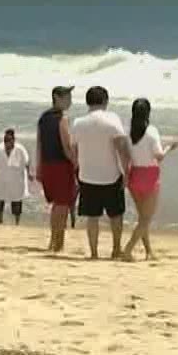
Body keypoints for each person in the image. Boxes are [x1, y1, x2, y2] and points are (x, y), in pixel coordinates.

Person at [71, 85, 132, 260]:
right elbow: (122, 149)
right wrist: (127, 172)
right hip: (110, 175)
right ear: (105, 101)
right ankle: (116, 249)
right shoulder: (112, 120)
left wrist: (77, 170)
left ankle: (94, 252)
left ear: (87, 102)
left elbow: (74, 150)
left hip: (87, 175)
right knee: (116, 215)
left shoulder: (78, 123)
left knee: (92, 217)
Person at [123, 97, 178, 261]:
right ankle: (128, 249)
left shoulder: (128, 132)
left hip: (134, 174)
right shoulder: (151, 131)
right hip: (149, 175)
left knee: (143, 218)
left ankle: (149, 251)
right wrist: (170, 147)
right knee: (146, 218)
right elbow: (159, 156)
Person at [35, 86, 77, 252]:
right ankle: (57, 242)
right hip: (61, 165)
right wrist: (76, 163)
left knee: (56, 205)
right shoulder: (62, 118)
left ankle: (55, 240)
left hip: (47, 164)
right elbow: (67, 146)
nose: (70, 101)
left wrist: (38, 167)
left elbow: (39, 143)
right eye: (67, 97)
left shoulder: (43, 118)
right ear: (57, 97)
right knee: (62, 205)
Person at [0, 127, 33, 225]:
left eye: (9, 140)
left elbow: (27, 163)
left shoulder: (20, 149)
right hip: (1, 177)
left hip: (16, 178)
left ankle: (17, 222)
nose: (7, 142)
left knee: (17, 200)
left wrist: (29, 174)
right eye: (5, 140)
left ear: (13, 140)